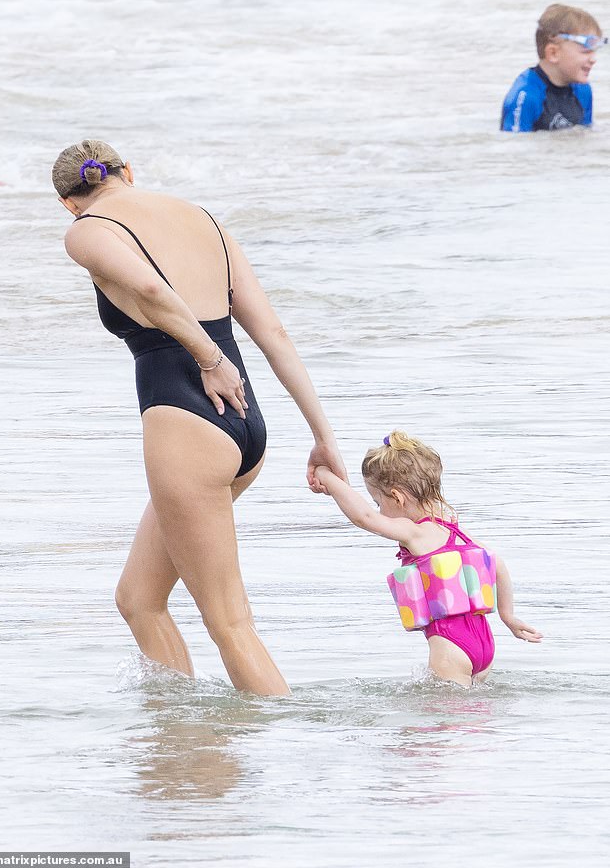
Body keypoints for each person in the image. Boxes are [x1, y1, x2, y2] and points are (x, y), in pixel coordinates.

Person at [52, 139, 346, 697]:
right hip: (245, 423)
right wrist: (322, 435)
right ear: (128, 171)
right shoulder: (206, 221)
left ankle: (281, 743)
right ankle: (184, 736)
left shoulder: (87, 230)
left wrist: (207, 359)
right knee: (138, 598)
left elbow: (146, 287)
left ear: (69, 202)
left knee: (231, 625)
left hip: (187, 416)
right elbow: (274, 334)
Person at [311, 431, 542, 688]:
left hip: (451, 646)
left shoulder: (415, 533)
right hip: (485, 644)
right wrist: (508, 617)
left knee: (440, 723)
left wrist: (327, 477)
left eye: (379, 502)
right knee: (472, 722)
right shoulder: (457, 533)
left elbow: (364, 518)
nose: (379, 510)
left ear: (397, 498)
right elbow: (497, 565)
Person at [501, 3, 605, 132]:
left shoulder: (583, 90)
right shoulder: (526, 96)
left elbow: (584, 136)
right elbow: (513, 145)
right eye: (585, 51)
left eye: (594, 51)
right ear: (553, 53)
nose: (593, 59)